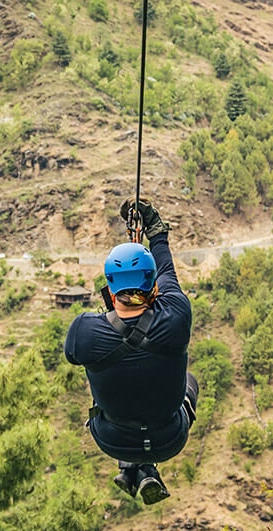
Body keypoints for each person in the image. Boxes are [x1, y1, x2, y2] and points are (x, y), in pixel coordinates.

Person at [64, 199, 198, 504]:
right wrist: (156, 234)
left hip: (113, 440)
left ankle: (131, 468)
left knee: (107, 377)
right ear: (152, 286)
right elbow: (167, 275)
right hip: (169, 439)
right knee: (189, 380)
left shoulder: (83, 333)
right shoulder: (176, 317)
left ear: (110, 289)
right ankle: (143, 468)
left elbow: (86, 347)